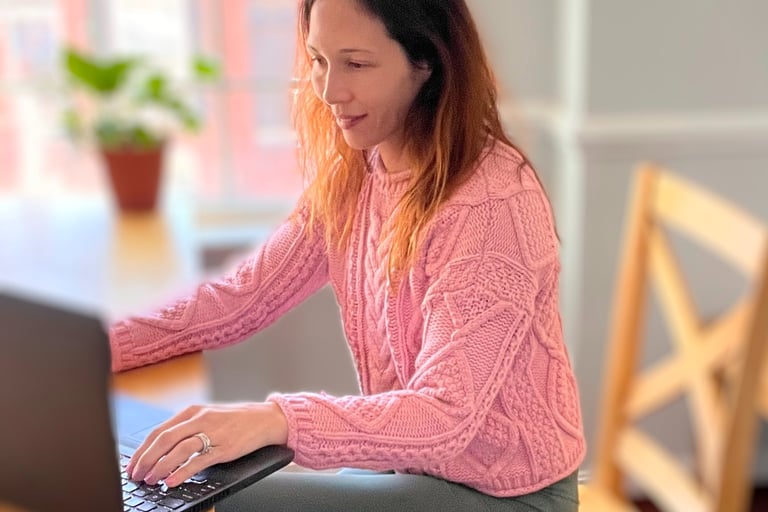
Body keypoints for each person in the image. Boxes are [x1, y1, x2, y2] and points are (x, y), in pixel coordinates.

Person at [111, 0, 586, 510]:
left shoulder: (491, 206)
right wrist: (92, 351)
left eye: (356, 64)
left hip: (505, 493)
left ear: (427, 63)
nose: (330, 90)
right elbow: (240, 299)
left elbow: (446, 414)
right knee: (181, 489)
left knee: (205, 501)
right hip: (409, 469)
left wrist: (277, 420)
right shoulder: (360, 169)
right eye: (318, 59)